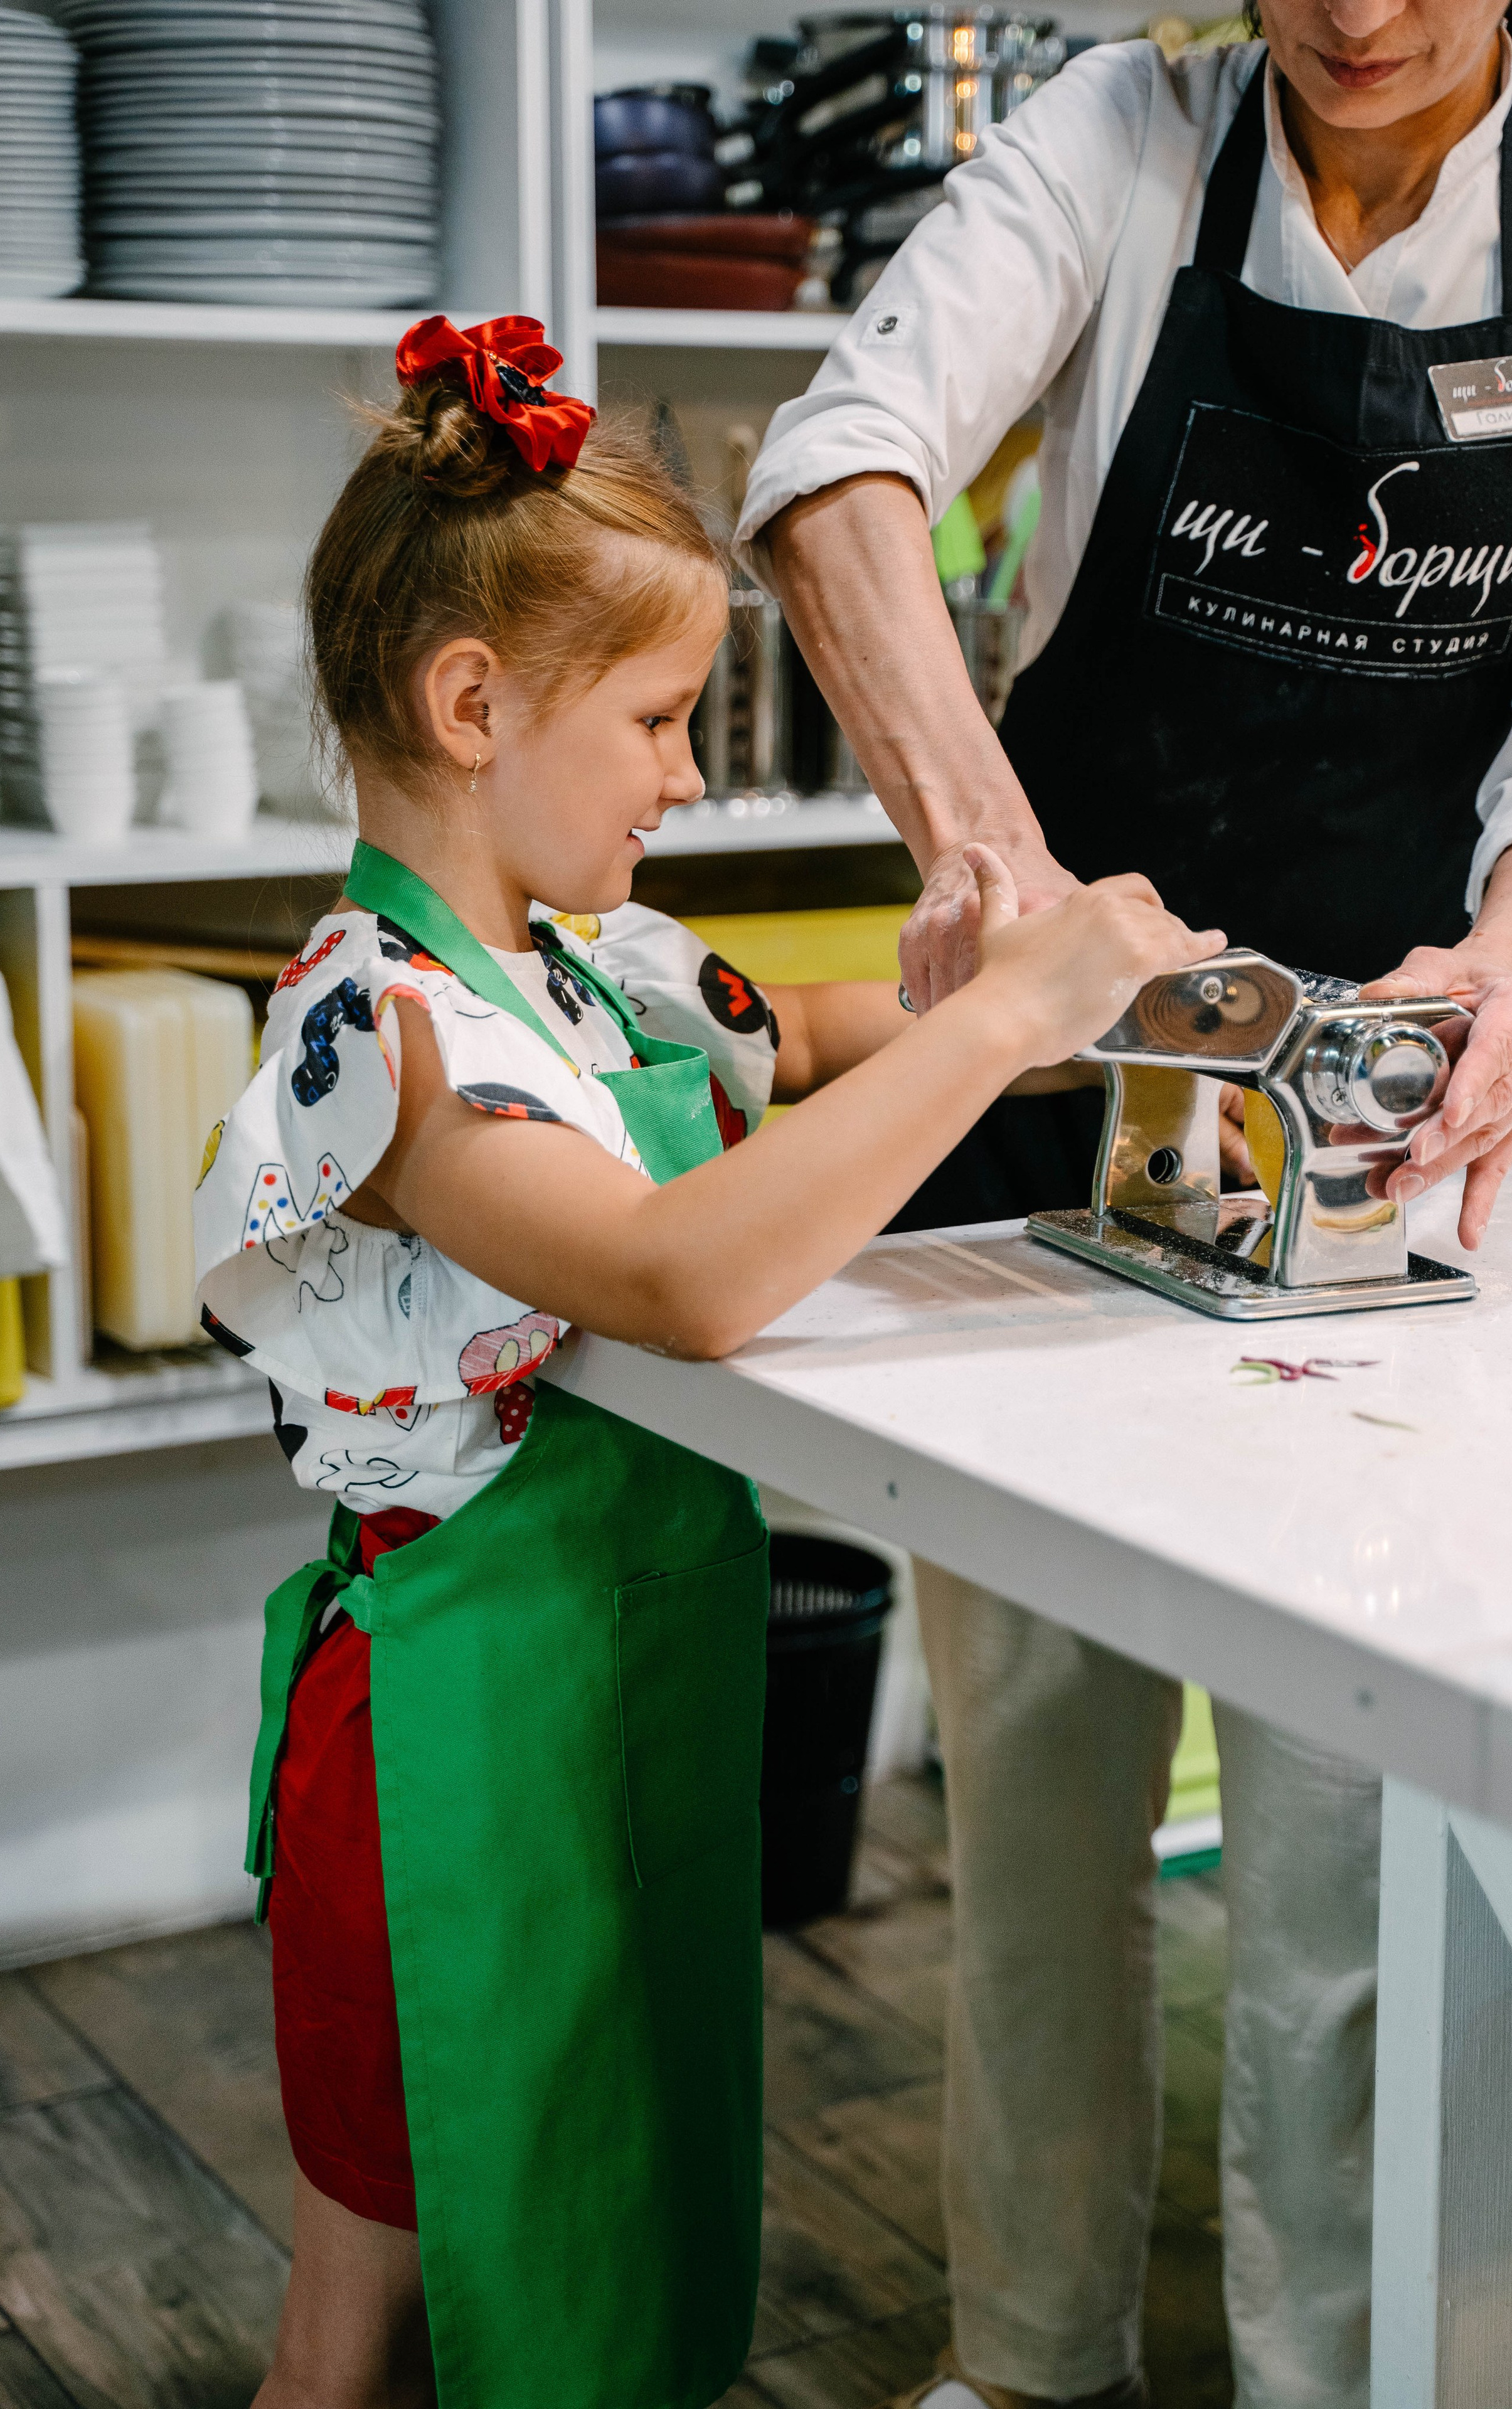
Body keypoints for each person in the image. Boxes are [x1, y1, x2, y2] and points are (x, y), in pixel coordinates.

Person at [194, 311, 1222, 2409]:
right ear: (471, 704)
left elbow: (812, 1036)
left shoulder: (595, 971)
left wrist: (1005, 975)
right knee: (375, 2304)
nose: (687, 773)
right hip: (440, 1755)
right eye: (659, 722)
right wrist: (1009, 1031)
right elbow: (674, 1275)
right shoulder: (382, 1037)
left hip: (620, 1710)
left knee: (603, 2238)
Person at [737, 5, 1512, 2406]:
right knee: (1032, 1824)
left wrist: (1511, 973)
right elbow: (845, 467)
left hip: (1375, 1129)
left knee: (1338, 1854)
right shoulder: (1123, 128)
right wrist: (981, 855)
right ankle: (1030, 2363)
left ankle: (1328, 2376)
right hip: (1058, 1110)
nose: (1350, 18)